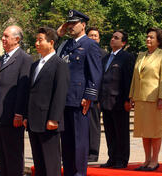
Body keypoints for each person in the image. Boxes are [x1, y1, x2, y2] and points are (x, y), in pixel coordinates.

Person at [57, 10, 102, 176]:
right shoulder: (65, 45)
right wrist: (58, 34)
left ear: (83, 25)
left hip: (79, 99)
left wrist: (89, 96)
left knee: (79, 140)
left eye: (73, 23)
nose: (70, 26)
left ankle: (79, 173)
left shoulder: (90, 45)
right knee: (66, 140)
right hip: (64, 98)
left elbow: (95, 73)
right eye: (68, 23)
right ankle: (69, 171)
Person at [23, 27, 70, 176]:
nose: (37, 43)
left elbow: (60, 92)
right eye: (36, 40)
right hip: (33, 121)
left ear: (51, 42)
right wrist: (26, 116)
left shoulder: (59, 64)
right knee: (39, 162)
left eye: (40, 40)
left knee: (51, 162)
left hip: (48, 121)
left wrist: (54, 118)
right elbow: (30, 92)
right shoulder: (35, 65)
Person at [0, 25, 33, 176]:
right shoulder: (2, 59)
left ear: (17, 39)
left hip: (12, 117)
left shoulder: (25, 59)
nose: (3, 38)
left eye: (6, 36)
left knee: (13, 158)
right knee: (1, 157)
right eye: (3, 36)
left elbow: (23, 88)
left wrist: (19, 113)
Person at [129, 27, 162, 171]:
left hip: (154, 99)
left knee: (154, 131)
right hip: (140, 98)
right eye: (147, 37)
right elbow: (135, 78)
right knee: (144, 131)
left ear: (159, 41)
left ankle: (155, 160)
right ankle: (146, 159)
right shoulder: (141, 55)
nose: (148, 39)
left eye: (151, 37)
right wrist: (132, 96)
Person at [99, 30, 135, 168]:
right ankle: (112, 158)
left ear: (123, 42)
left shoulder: (127, 57)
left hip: (120, 101)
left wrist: (128, 99)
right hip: (106, 101)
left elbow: (128, 79)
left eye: (117, 38)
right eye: (112, 37)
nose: (113, 39)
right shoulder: (106, 58)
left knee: (121, 132)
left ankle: (122, 159)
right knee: (110, 132)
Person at [86, 27, 107, 162]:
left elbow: (103, 77)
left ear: (99, 39)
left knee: (93, 125)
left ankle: (93, 153)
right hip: (81, 95)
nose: (93, 38)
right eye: (91, 35)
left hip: (95, 96)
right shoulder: (81, 50)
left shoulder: (104, 54)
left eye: (96, 36)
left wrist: (99, 97)